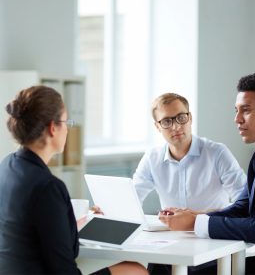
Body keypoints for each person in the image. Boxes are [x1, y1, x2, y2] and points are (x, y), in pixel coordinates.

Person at [159, 72, 255, 274]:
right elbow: (243, 207)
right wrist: (193, 216)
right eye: (236, 111)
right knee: (165, 265)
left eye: (246, 110)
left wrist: (196, 222)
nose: (237, 119)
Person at [0, 85, 148, 275]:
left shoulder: (7, 166)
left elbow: (28, 230)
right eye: (66, 122)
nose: (68, 130)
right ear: (53, 128)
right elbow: (64, 269)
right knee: (135, 270)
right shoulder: (48, 186)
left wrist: (68, 224)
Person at [133, 93, 246, 213]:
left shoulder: (217, 153)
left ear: (190, 118)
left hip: (212, 229)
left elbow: (245, 201)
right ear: (158, 127)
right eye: (166, 122)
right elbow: (132, 197)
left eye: (181, 118)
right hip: (170, 231)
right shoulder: (152, 158)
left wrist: (196, 218)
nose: (176, 127)